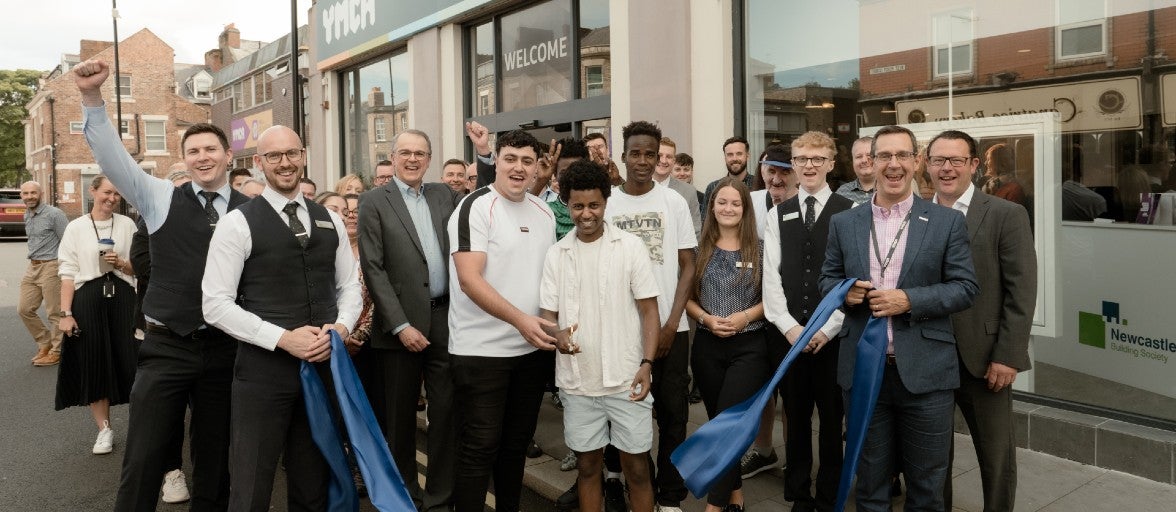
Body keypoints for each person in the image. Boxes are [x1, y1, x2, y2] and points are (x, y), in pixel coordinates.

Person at [77, 58, 246, 511]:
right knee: (144, 456)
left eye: (211, 149)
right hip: (167, 346)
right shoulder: (160, 197)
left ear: (229, 156)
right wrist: (92, 97)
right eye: (193, 151)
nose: (203, 157)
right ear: (185, 159)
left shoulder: (252, 208)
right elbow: (112, 157)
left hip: (226, 348)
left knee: (216, 459)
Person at [202, 125, 361, 511]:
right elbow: (215, 304)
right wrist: (282, 338)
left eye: (291, 153)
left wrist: (341, 327)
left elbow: (349, 287)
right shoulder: (237, 223)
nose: (284, 162)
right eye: (274, 156)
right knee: (252, 485)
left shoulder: (330, 219)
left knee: (313, 482)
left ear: (303, 156)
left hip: (322, 369)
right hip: (263, 373)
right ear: (259, 162)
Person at [820, 125, 978, 512]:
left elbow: (965, 288)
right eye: (884, 156)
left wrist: (909, 299)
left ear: (916, 161)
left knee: (927, 488)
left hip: (926, 375)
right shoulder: (844, 223)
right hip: (863, 372)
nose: (894, 164)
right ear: (870, 162)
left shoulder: (946, 221)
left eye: (903, 155)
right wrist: (844, 293)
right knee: (870, 485)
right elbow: (827, 279)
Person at [540, 160, 661, 512]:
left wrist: (647, 363)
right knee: (588, 467)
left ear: (606, 202)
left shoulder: (630, 247)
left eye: (594, 205)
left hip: (627, 378)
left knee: (637, 469)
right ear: (567, 204)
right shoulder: (556, 254)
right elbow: (548, 316)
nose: (586, 214)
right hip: (578, 383)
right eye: (578, 206)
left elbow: (649, 310)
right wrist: (557, 335)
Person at [447, 129, 557, 512]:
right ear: (496, 160)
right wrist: (521, 320)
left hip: (531, 353)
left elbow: (548, 279)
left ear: (537, 167)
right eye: (510, 158)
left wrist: (548, 324)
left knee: (515, 448)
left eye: (527, 161)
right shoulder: (475, 206)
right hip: (481, 352)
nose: (518, 168)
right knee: (479, 448)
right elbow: (469, 279)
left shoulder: (544, 212)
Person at [928, 130, 1037, 512]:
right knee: (931, 459)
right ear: (927, 166)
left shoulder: (1006, 214)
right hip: (928, 357)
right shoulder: (916, 214)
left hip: (985, 358)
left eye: (956, 160)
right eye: (939, 160)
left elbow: (1022, 290)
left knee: (996, 457)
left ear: (974, 165)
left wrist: (1008, 355)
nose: (947, 168)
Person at [359, 129, 461, 512]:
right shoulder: (373, 200)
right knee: (400, 421)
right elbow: (373, 267)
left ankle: (439, 499)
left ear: (429, 159)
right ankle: (405, 496)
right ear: (393, 157)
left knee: (446, 414)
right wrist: (401, 325)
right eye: (405, 152)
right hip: (398, 328)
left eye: (420, 153)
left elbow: (483, 202)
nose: (413, 159)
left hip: (444, 320)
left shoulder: (444, 194)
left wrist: (486, 156)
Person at [603, 120, 697, 512]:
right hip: (622, 329)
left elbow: (688, 265)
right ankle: (631, 482)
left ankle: (670, 497)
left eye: (650, 154)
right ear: (623, 156)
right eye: (635, 153)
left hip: (672, 326)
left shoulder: (673, 202)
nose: (643, 161)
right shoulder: (608, 203)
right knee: (623, 411)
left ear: (659, 158)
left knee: (673, 415)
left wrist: (672, 323)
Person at [765, 131, 854, 512]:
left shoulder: (851, 211)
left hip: (833, 338)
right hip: (790, 336)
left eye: (818, 159)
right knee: (795, 417)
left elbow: (854, 278)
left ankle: (829, 496)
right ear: (793, 165)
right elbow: (771, 278)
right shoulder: (777, 213)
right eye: (802, 159)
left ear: (831, 163)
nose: (809, 165)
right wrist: (790, 328)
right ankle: (799, 495)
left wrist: (827, 329)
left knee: (832, 421)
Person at [684, 177, 768, 512]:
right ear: (711, 207)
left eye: (735, 203)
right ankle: (735, 494)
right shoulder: (697, 248)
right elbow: (685, 299)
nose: (728, 208)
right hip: (707, 347)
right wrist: (705, 319)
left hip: (750, 346)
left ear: (745, 208)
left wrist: (745, 317)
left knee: (729, 426)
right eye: (722, 202)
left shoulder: (760, 248)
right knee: (718, 423)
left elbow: (774, 299)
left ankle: (714, 506)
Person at [55, 174, 138, 455]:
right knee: (95, 362)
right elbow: (67, 274)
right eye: (106, 192)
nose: (112, 198)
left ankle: (143, 428)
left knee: (134, 360)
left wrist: (121, 263)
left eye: (116, 194)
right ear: (93, 191)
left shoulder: (127, 225)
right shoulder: (76, 227)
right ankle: (104, 430)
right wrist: (66, 313)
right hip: (88, 299)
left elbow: (139, 268)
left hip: (123, 298)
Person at [125, 168, 194, 505]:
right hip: (161, 331)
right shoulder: (147, 227)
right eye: (177, 191)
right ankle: (172, 470)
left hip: (211, 336)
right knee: (165, 413)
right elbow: (143, 265)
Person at [739, 144, 799, 480]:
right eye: (770, 170)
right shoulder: (749, 204)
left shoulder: (805, 205)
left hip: (792, 316)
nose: (776, 178)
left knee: (792, 391)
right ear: (761, 170)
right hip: (754, 312)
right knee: (760, 389)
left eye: (784, 171)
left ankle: (794, 458)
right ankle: (763, 451)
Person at [20, 180, 68, 367]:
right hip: (32, 266)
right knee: (24, 309)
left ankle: (57, 351)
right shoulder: (27, 214)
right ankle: (45, 342)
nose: (30, 197)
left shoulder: (54, 214)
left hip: (51, 265)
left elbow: (68, 241)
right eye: (26, 193)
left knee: (54, 312)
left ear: (41, 194)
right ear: (21, 196)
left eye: (33, 193)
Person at [655, 137, 703, 236]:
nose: (663, 160)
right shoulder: (638, 188)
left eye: (668, 157)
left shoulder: (689, 191)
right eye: (659, 155)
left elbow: (696, 230)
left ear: (673, 161)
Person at [704, 136, 755, 208]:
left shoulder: (759, 185)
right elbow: (706, 215)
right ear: (725, 157)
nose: (734, 158)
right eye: (730, 155)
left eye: (739, 154)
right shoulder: (713, 187)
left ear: (747, 156)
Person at [836, 136, 876, 206]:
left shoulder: (891, 190)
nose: (864, 160)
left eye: (869, 155)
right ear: (853, 161)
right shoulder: (842, 193)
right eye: (859, 156)